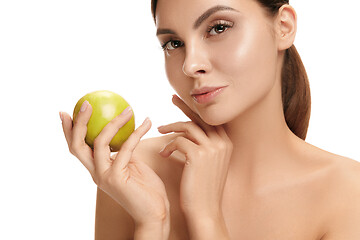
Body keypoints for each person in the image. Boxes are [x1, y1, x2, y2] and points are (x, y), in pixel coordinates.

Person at [60, 0, 360, 239]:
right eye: (173, 43)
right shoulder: (133, 172)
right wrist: (152, 225)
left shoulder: (347, 192)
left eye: (218, 28)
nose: (191, 64)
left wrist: (206, 217)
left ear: (283, 27)